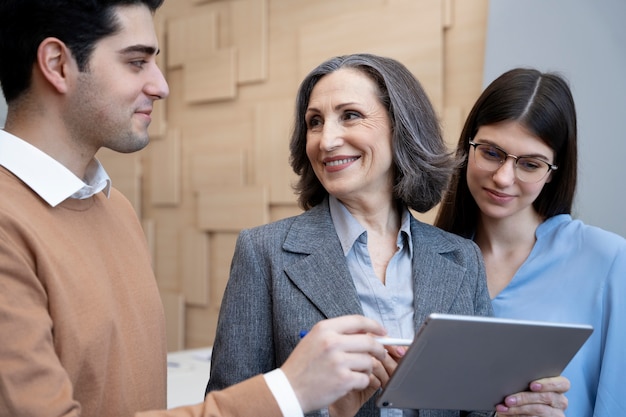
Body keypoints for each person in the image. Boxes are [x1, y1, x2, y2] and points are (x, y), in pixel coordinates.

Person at [0, 1, 402, 416]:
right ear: (56, 63)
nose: (160, 85)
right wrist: (287, 393)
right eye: (137, 62)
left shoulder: (114, 208)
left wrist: (322, 404)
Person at [206, 53, 570, 417]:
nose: (326, 140)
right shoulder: (263, 252)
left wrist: (518, 410)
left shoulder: (462, 257)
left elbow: (477, 405)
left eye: (350, 115)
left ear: (402, 128)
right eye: (314, 122)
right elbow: (229, 409)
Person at [435, 68, 626, 416]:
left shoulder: (608, 260)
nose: (504, 178)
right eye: (491, 152)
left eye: (530, 164)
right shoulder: (429, 258)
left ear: (554, 172)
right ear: (467, 147)